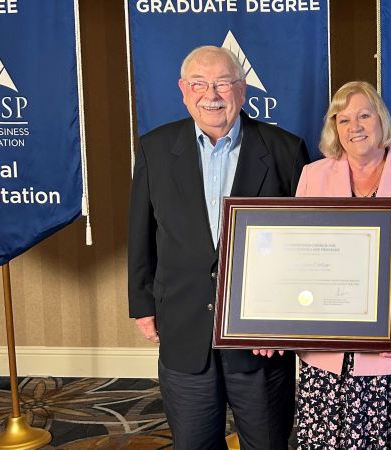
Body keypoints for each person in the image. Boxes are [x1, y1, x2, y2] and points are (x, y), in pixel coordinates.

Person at [128, 45, 308, 449]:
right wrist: (142, 305)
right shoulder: (155, 149)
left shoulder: (284, 149)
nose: (211, 93)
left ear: (242, 90)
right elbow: (140, 232)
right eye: (199, 83)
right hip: (184, 325)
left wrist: (289, 322)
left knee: (268, 442)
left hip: (262, 340)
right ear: (183, 90)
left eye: (223, 83)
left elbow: (303, 244)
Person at [294, 81, 391, 449]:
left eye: (364, 115)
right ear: (334, 127)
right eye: (343, 119)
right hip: (326, 352)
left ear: (381, 120)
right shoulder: (312, 176)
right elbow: (300, 257)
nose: (355, 127)